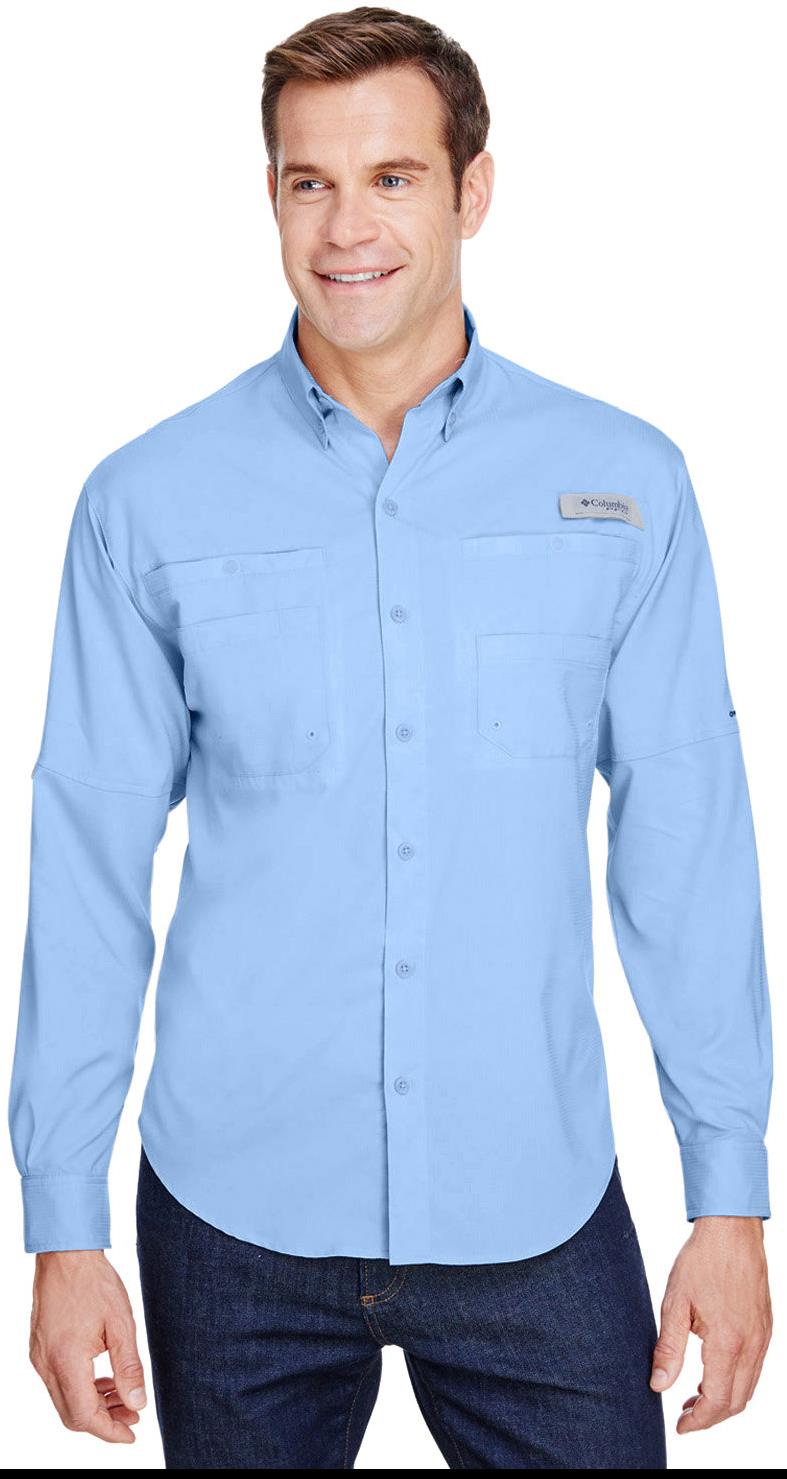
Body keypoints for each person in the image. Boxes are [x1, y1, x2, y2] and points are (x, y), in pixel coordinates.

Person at [9, 6, 773, 1470]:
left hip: (532, 1198)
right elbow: (86, 861)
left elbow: (688, 848)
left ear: (473, 190)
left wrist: (729, 1199)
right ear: (271, 196)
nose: (347, 227)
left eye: (394, 178)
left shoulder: (627, 485)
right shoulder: (144, 501)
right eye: (310, 182)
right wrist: (62, 1224)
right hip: (233, 1212)